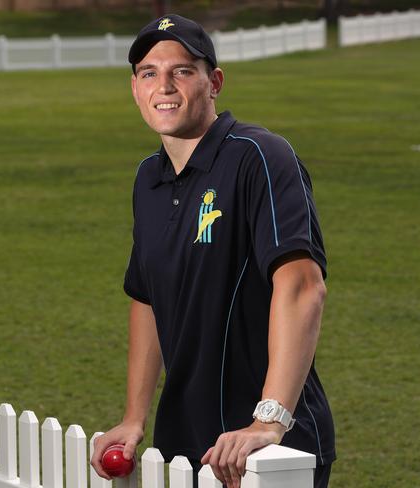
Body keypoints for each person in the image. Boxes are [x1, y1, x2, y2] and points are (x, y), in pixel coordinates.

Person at [90, 14, 335, 488]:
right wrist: (134, 417)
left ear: (214, 82)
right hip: (185, 447)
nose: (164, 85)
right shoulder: (148, 178)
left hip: (266, 448)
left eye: (181, 70)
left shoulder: (260, 156)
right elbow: (146, 296)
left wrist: (269, 419)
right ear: (135, 88)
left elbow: (303, 286)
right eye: (148, 73)